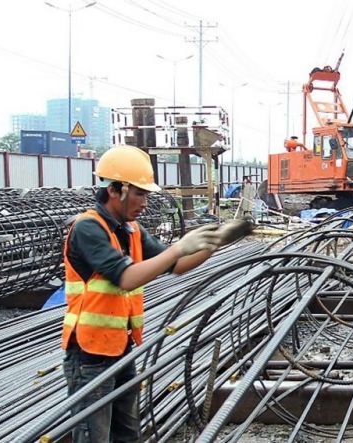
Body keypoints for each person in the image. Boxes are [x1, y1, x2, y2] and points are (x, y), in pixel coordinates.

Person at [61, 145, 251, 442]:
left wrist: (215, 244)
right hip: (88, 354)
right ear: (116, 190)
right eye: (140, 193)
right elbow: (125, 278)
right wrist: (179, 246)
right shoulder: (88, 228)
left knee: (127, 435)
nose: (145, 202)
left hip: (119, 348)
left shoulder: (131, 229)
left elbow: (175, 265)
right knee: (92, 437)